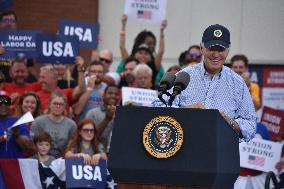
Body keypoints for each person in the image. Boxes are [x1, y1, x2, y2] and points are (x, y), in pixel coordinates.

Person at [154, 24, 256, 142]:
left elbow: (251, 125)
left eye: (221, 49)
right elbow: (158, 107)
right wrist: (186, 110)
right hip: (184, 147)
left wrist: (230, 123)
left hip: (221, 150)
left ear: (228, 51)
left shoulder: (238, 83)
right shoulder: (184, 76)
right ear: (202, 48)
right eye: (211, 48)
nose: (216, 54)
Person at [31, 91, 76, 158]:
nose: (58, 106)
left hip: (63, 161)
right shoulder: (39, 122)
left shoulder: (71, 124)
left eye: (61, 104)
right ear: (49, 104)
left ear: (65, 106)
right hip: (42, 160)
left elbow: (73, 146)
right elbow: (33, 144)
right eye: (55, 103)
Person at [86, 85, 119, 152]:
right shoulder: (92, 113)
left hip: (117, 154)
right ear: (103, 95)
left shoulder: (123, 114)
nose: (113, 96)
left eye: (116, 94)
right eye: (110, 93)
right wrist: (107, 119)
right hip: (96, 154)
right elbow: (88, 137)